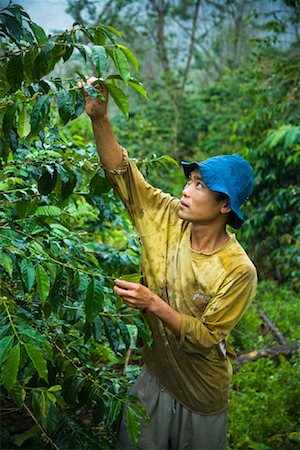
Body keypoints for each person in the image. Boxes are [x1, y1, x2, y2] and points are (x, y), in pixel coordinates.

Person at [79, 78, 257, 450]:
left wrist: (152, 304)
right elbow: (123, 174)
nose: (186, 191)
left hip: (200, 393)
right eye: (190, 180)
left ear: (225, 206)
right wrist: (99, 118)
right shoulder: (167, 215)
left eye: (200, 185)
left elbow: (206, 338)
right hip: (155, 372)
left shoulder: (238, 270)